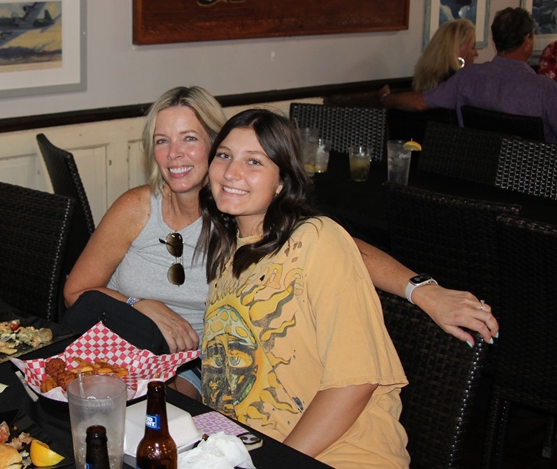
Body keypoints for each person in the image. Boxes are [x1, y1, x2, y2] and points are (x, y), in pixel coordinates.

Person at [64, 86, 498, 400]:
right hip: (117, 346)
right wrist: (138, 303)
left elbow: (339, 246)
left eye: (190, 139)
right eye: (163, 141)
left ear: (217, 144)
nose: (174, 153)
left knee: (150, 406)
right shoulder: (137, 207)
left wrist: (422, 290)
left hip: (191, 367)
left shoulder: (237, 213)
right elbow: (75, 291)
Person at [199, 108, 409, 466]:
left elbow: (355, 383)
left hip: (338, 454)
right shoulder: (227, 253)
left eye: (254, 161)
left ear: (282, 181)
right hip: (251, 448)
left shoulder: (316, 240)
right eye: (224, 156)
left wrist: (276, 462)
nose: (232, 172)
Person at [382, 7, 557, 143]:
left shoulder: (467, 78)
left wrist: (386, 99)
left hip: (477, 174)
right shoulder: (545, 90)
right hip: (533, 177)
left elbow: (420, 102)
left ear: (495, 39)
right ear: (527, 40)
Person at [413, 19, 478, 91]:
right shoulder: (455, 82)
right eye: (472, 47)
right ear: (455, 49)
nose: (476, 53)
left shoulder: (428, 76)